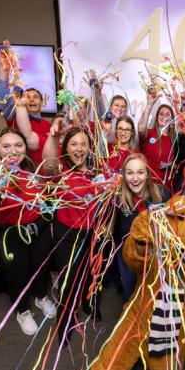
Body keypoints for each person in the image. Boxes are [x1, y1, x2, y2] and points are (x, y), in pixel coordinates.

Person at [43, 125, 109, 344]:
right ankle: (65, 323)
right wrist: (53, 137)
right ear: (65, 148)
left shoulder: (98, 171)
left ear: (90, 147)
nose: (79, 148)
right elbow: (48, 164)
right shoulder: (60, 170)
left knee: (92, 273)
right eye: (73, 144)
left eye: (83, 144)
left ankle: (91, 303)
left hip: (94, 232)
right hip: (67, 233)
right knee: (68, 281)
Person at [0, 129, 56, 336]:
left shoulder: (34, 172)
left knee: (41, 267)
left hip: (38, 229)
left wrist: (40, 223)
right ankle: (23, 311)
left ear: (26, 148)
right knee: (17, 275)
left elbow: (47, 202)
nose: (13, 151)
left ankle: (41, 297)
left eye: (18, 145)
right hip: (11, 235)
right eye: (6, 146)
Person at [111, 153, 170, 300]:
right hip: (130, 258)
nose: (135, 178)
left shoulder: (162, 194)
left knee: (154, 297)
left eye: (140, 172)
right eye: (130, 173)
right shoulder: (119, 198)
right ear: (124, 175)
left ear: (148, 174)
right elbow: (113, 228)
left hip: (156, 257)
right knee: (130, 295)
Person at [138, 95, 177, 185]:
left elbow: (176, 166)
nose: (164, 117)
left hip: (165, 188)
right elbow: (140, 128)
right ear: (157, 116)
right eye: (161, 114)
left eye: (168, 114)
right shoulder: (149, 133)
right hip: (147, 186)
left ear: (172, 119)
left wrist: (170, 165)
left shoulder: (174, 139)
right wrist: (149, 105)